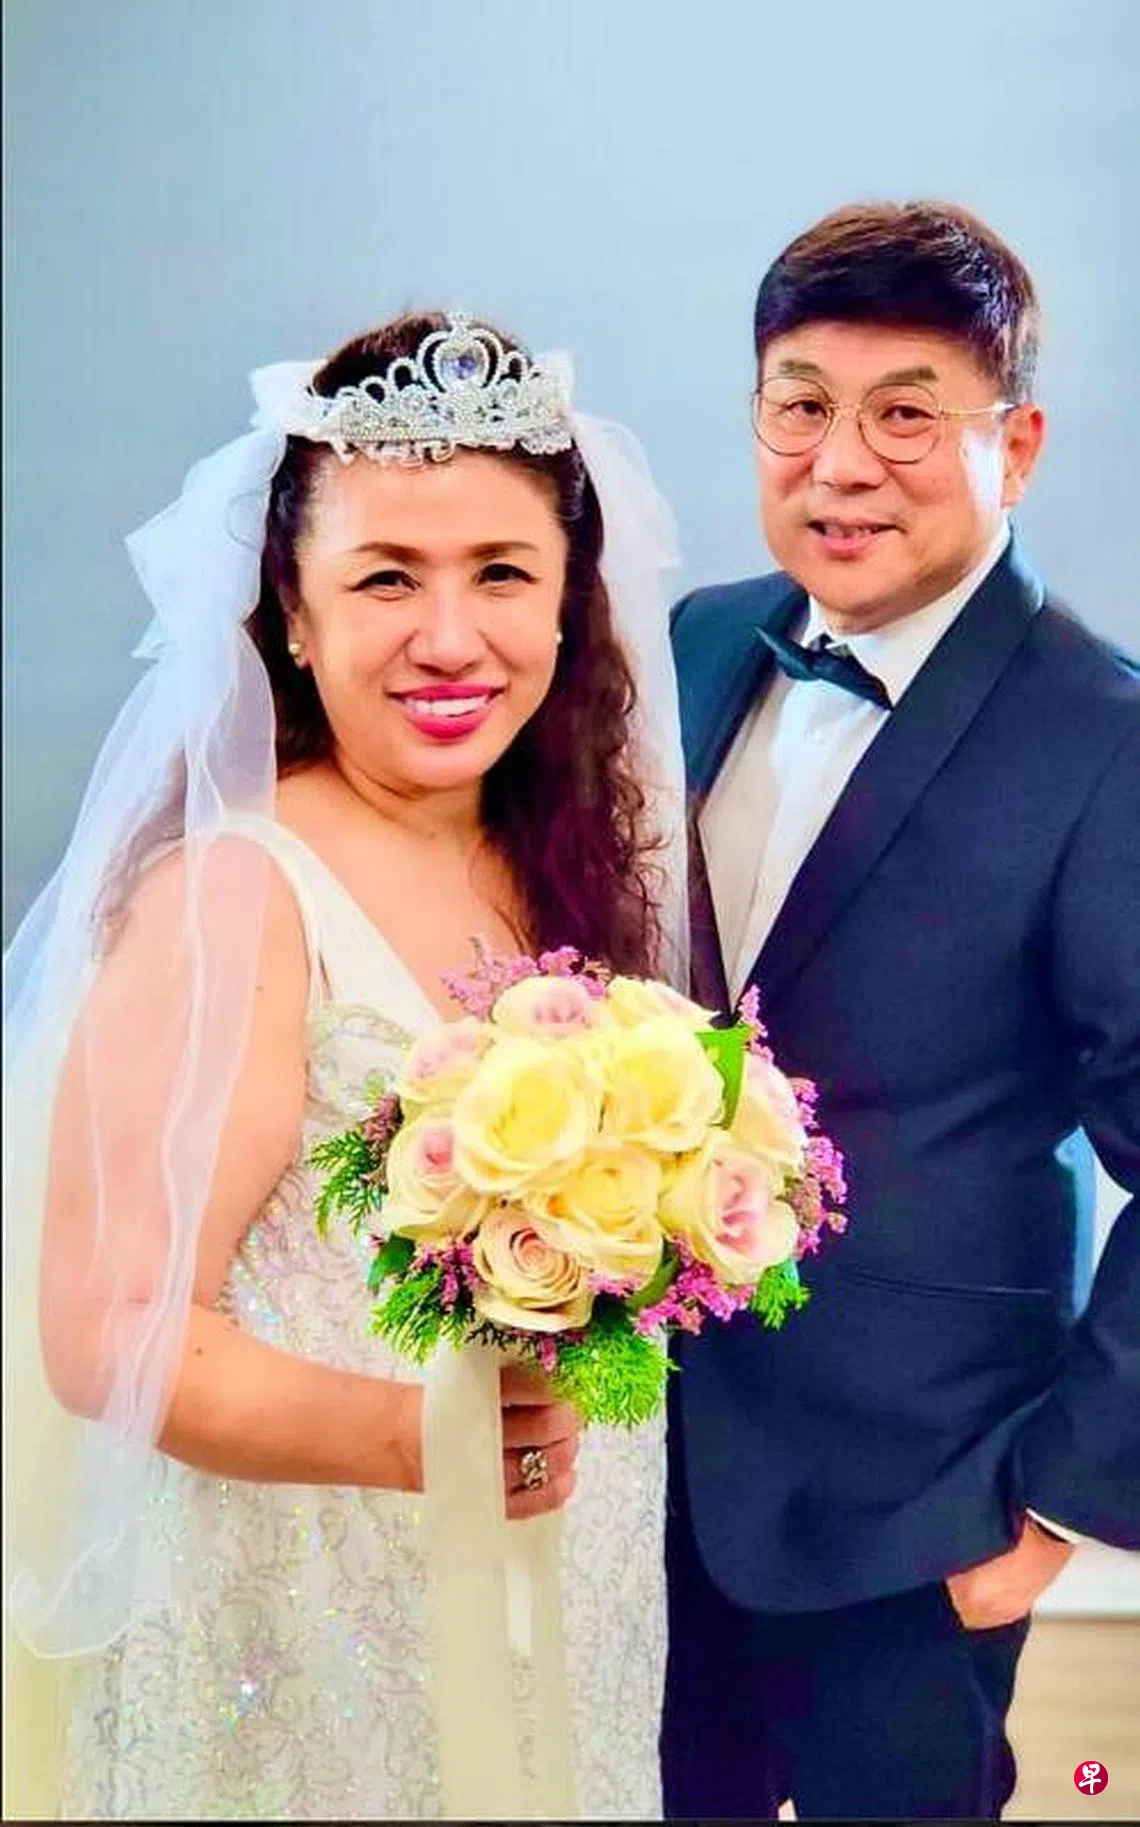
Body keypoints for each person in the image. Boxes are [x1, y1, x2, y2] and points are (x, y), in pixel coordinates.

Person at [2, 310, 686, 1819]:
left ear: (569, 603)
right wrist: (427, 1439)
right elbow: (109, 1330)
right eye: (386, 578)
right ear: (294, 619)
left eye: (500, 572)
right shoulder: (236, 893)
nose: (449, 637)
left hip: (561, 1587)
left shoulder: (564, 869)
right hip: (309, 1626)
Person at [662, 201, 1140, 1821]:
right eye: (800, 405)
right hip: (653, 1471)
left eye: (907, 414)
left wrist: (1058, 1511)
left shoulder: (1108, 737)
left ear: (1020, 442)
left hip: (921, 1509)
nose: (842, 463)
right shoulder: (699, 641)